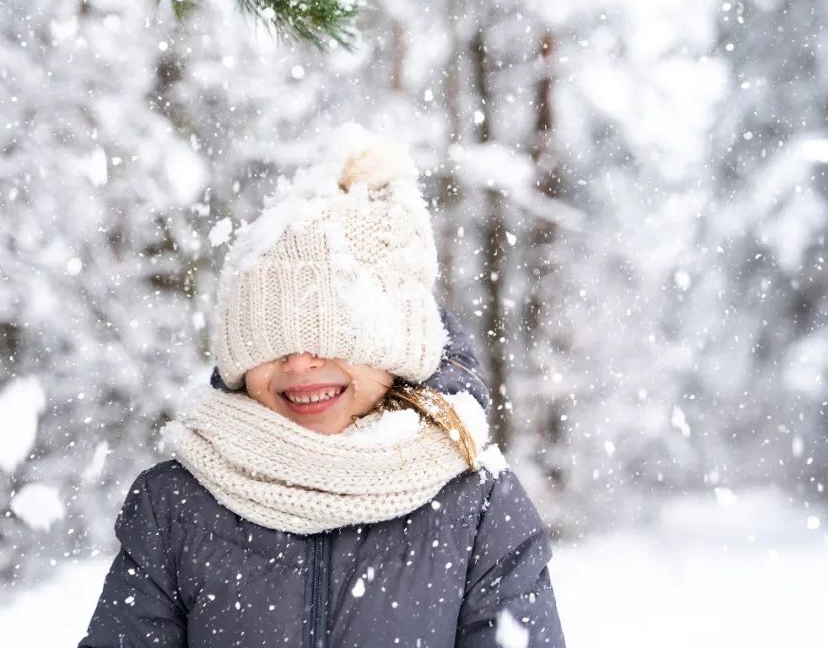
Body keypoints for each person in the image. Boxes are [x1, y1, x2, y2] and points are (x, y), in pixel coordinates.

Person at [77, 124, 567, 648]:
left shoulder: (476, 505)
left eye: (330, 333)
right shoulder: (178, 504)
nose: (300, 362)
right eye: (271, 339)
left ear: (392, 345)